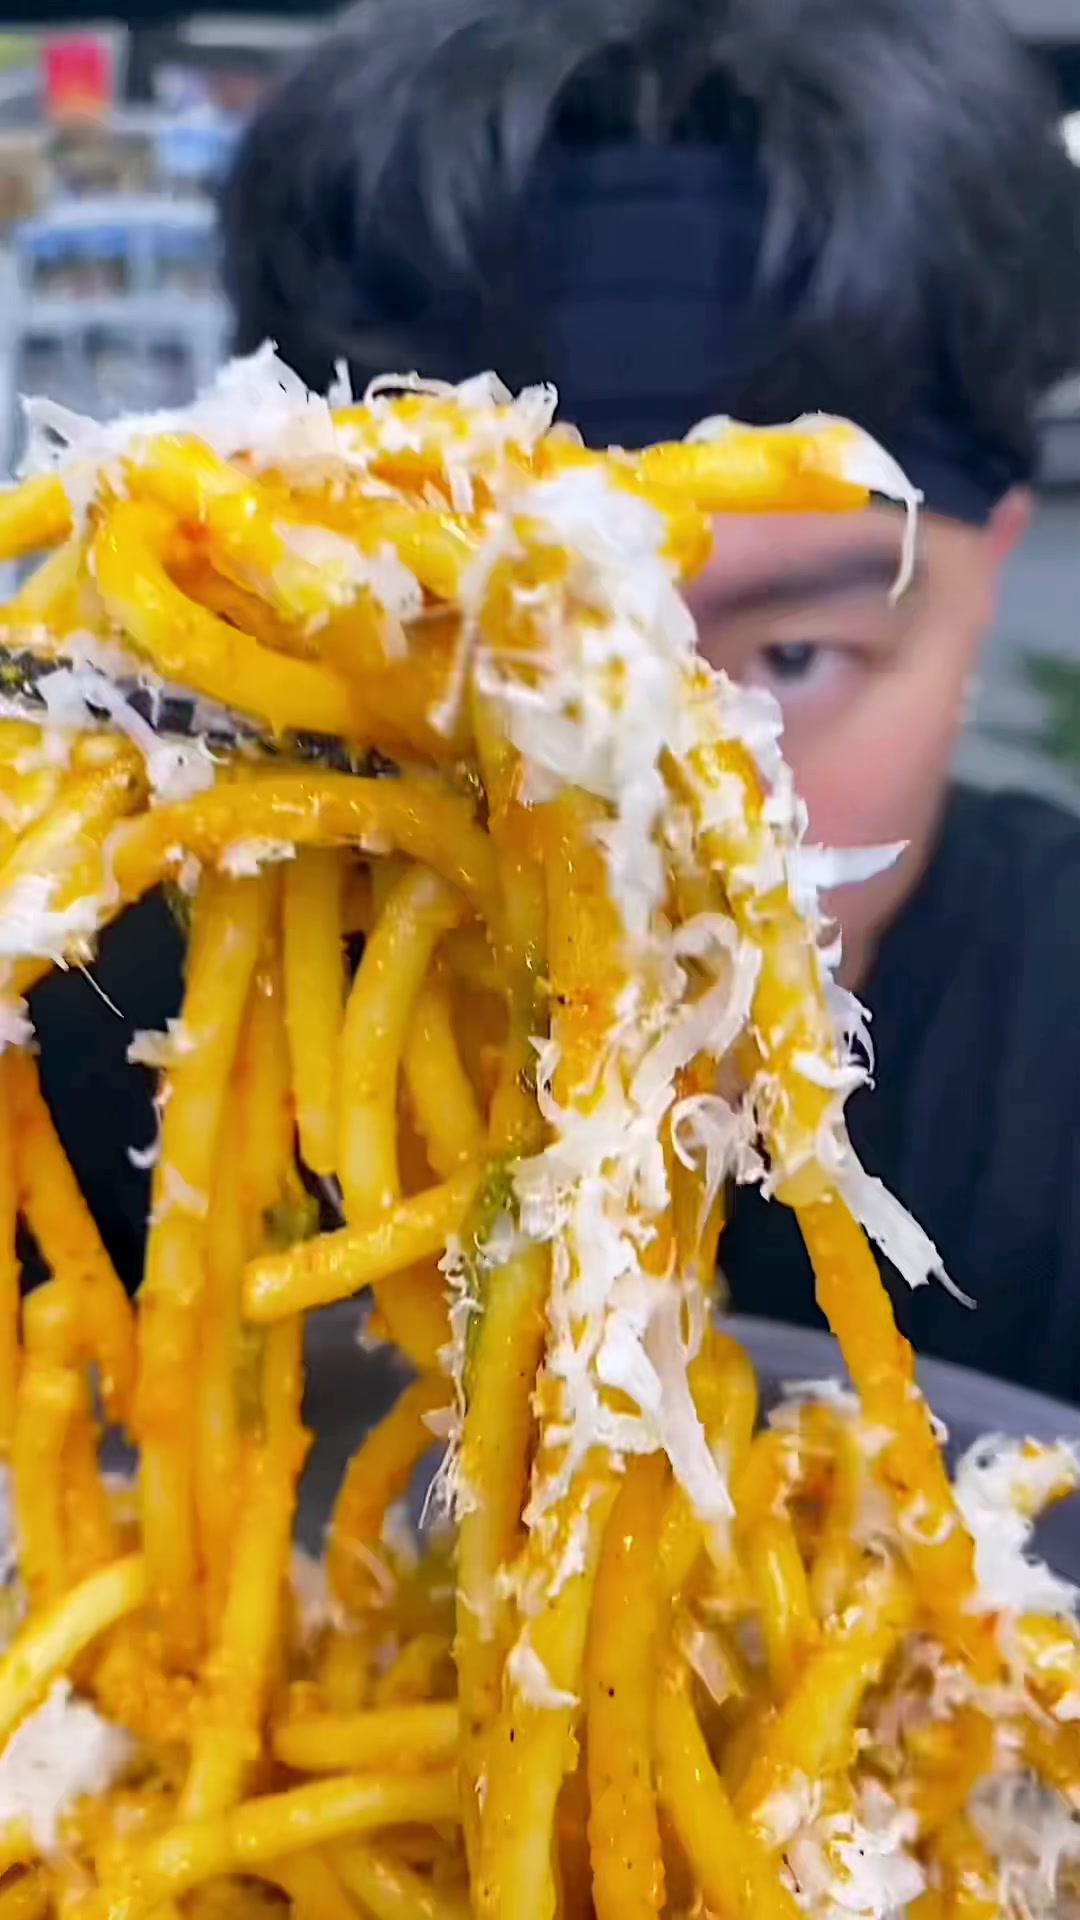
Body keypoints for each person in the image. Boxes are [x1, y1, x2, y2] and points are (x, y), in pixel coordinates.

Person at [35, 0, 1080, 1396]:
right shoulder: (77, 1027)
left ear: (989, 571)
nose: (633, 827)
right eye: (474, 658)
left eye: (791, 658)